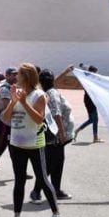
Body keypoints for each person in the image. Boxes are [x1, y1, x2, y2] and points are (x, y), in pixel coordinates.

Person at [3, 63, 61, 217]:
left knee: (42, 179)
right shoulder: (17, 94)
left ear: (26, 77)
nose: (16, 77)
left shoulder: (39, 95)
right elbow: (5, 118)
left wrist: (24, 103)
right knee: (19, 180)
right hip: (16, 144)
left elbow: (38, 119)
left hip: (34, 144)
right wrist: (13, 102)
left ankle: (55, 213)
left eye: (19, 74)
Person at [30, 66, 75, 203]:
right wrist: (61, 133)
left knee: (57, 163)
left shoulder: (45, 91)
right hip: (56, 136)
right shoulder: (52, 93)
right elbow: (56, 114)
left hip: (54, 135)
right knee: (51, 164)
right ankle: (36, 191)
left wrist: (65, 72)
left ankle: (56, 189)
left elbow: (54, 82)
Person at [74, 65, 103, 143]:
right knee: (95, 119)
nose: (96, 74)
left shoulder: (88, 79)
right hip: (90, 101)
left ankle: (77, 130)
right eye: (96, 73)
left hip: (88, 100)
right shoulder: (89, 80)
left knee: (91, 120)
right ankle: (95, 137)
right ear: (92, 72)